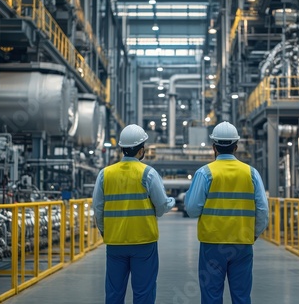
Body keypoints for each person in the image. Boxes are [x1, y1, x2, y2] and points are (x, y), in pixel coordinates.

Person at [185, 121, 269, 304]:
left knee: (211, 295)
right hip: (241, 244)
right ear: (236, 146)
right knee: (241, 296)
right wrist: (253, 234)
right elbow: (263, 210)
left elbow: (191, 209)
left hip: (212, 244)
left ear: (213, 147)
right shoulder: (251, 173)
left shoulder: (205, 173)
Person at [92, 124, 175, 304]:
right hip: (144, 242)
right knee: (144, 293)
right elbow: (161, 207)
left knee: (114, 293)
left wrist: (105, 231)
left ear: (122, 148)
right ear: (141, 150)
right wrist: (171, 203)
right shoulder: (148, 174)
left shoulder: (105, 174)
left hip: (115, 242)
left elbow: (98, 208)